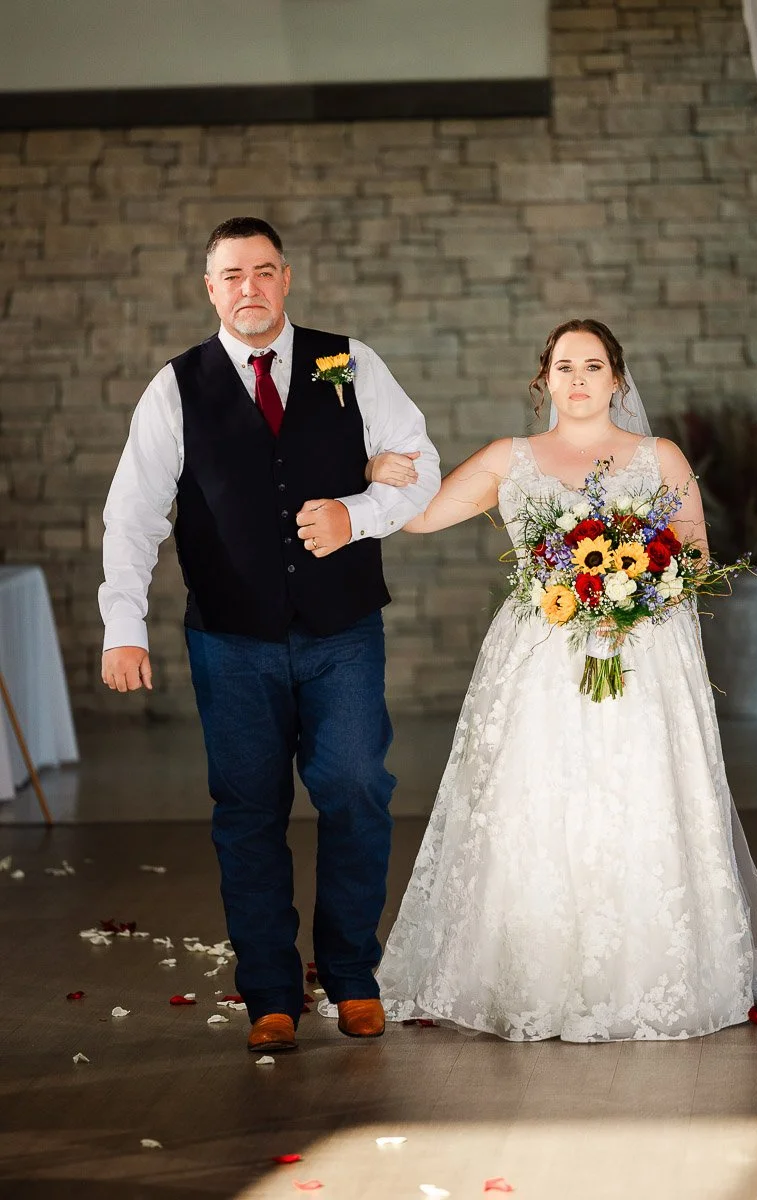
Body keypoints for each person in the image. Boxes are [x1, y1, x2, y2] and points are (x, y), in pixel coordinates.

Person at [357, 317, 757, 1042]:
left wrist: (636, 585)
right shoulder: (511, 457)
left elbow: (694, 556)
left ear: (618, 380)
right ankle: (533, 973)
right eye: (565, 366)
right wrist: (380, 473)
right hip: (539, 662)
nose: (579, 379)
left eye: (593, 366)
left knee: (636, 796)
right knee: (538, 799)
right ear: (544, 380)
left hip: (640, 655)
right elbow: (419, 517)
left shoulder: (659, 457)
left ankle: (647, 969)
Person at [99, 216, 440, 1052]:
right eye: (230, 275)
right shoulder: (175, 387)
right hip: (232, 639)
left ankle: (355, 977)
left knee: (358, 787)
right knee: (248, 810)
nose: (248, 287)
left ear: (286, 278)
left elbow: (420, 462)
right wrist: (122, 626)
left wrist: (356, 513)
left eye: (263, 271)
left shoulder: (345, 361)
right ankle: (271, 997)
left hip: (342, 631)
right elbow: (133, 516)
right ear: (210, 289)